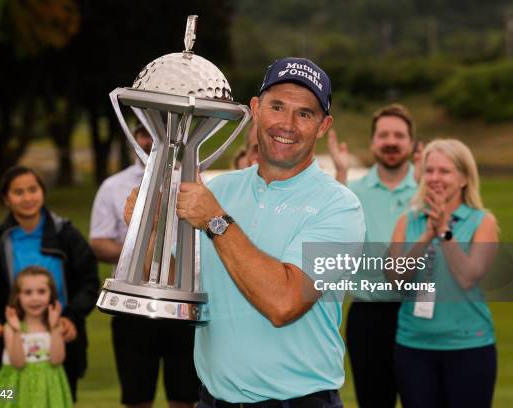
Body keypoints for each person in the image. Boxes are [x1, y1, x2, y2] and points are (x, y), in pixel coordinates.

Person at [125, 57, 365, 405]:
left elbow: (284, 303)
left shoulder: (340, 207)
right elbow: (180, 285)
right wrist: (147, 234)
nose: (287, 124)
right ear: (255, 109)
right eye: (277, 106)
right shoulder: (220, 190)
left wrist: (217, 223)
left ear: (323, 125)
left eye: (305, 113)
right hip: (213, 399)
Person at [89, 125, 199, 408]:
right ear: (133, 138)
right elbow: (99, 242)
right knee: (137, 398)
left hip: (182, 303)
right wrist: (140, 251)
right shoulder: (113, 186)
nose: (152, 141)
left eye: (160, 133)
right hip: (133, 305)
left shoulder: (193, 181)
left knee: (185, 397)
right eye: (145, 133)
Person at [388, 139, 498, 407]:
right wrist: (426, 236)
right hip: (413, 347)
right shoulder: (408, 220)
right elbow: (394, 279)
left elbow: (469, 275)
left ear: (463, 178)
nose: (435, 178)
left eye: (445, 171)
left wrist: (444, 233)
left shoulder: (483, 221)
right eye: (430, 170)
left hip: (468, 347)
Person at [0, 165, 99, 401]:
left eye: (33, 189)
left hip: (59, 333)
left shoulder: (66, 234)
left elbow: (89, 282)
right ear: (6, 199)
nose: (27, 198)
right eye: (18, 192)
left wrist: (72, 318)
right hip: (13, 336)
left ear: (42, 192)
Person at [328, 104, 420, 407]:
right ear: (373, 143)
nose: (391, 142)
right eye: (384, 135)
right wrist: (340, 174)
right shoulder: (352, 191)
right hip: (368, 318)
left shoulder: (428, 190)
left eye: (399, 135)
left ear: (412, 144)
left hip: (418, 314)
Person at [0, 266, 73, 407]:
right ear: (18, 296)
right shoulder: (10, 328)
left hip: (48, 388)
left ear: (51, 294)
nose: (35, 298)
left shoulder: (55, 326)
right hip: (19, 388)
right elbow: (18, 363)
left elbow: (56, 360)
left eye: (41, 292)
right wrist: (17, 331)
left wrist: (55, 328)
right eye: (28, 292)